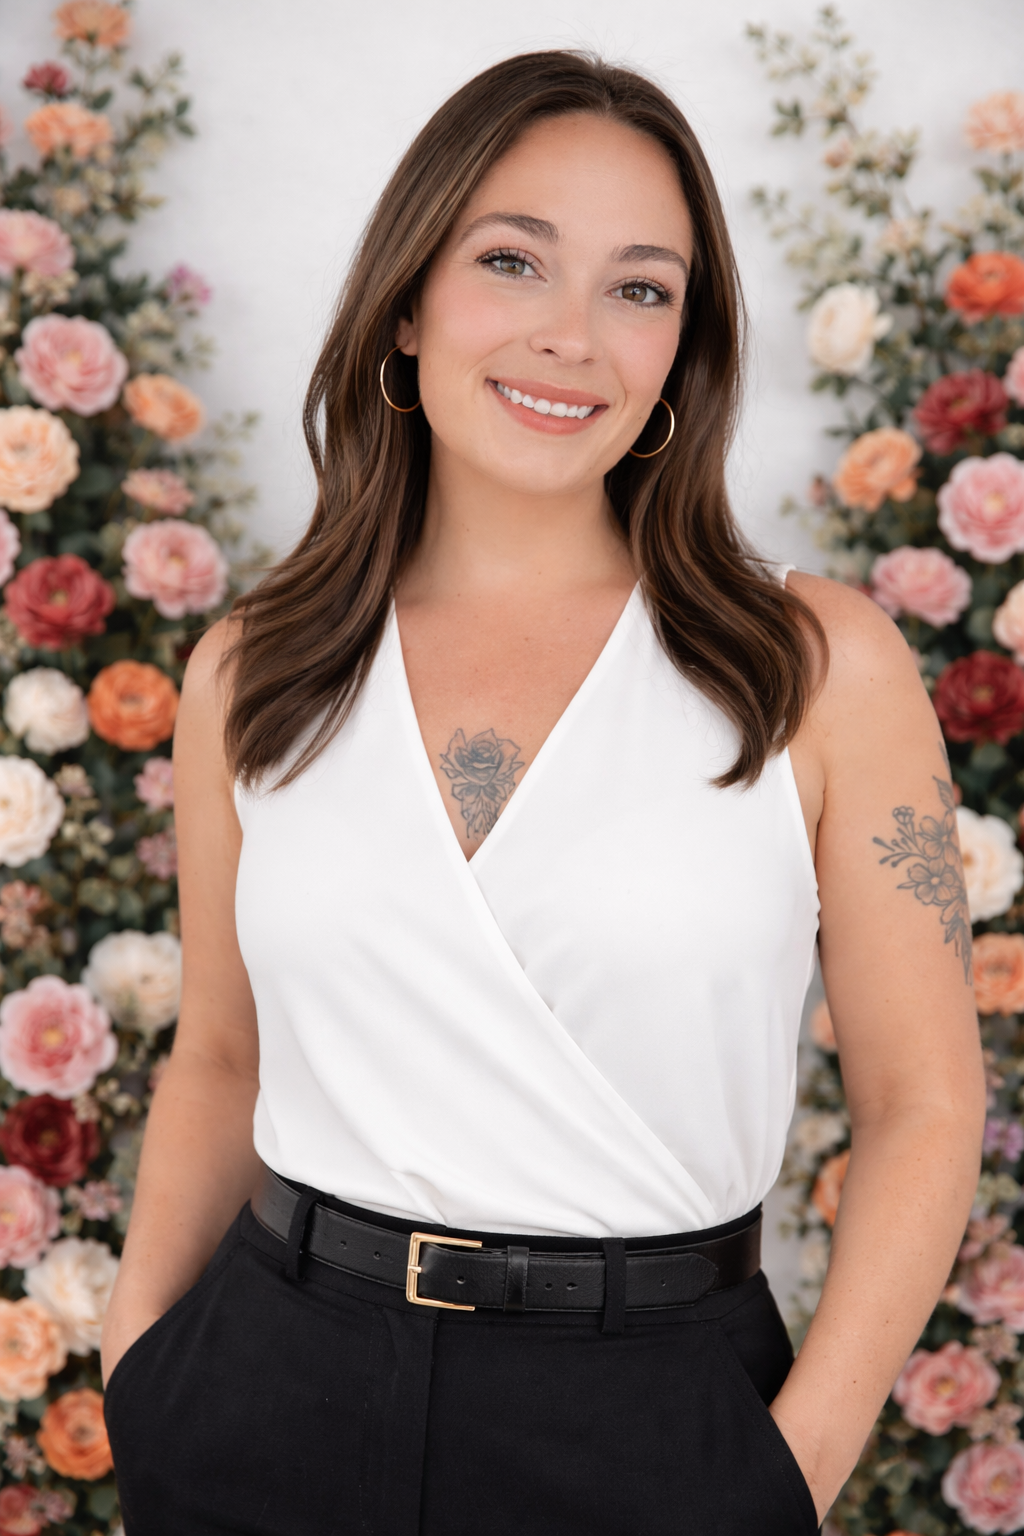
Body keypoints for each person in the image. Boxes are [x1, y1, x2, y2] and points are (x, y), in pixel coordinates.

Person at [100, 50, 984, 1536]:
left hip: (651, 1426)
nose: (572, 336)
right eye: (513, 261)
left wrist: (784, 1473)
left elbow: (925, 1100)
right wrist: (143, 1366)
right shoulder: (251, 667)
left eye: (640, 288)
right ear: (406, 300)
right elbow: (221, 1058)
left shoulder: (817, 664)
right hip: (264, 1398)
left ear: (682, 350)